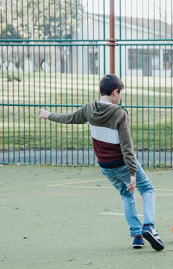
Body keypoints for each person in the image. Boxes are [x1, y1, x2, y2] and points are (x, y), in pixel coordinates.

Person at [38, 74, 164, 250]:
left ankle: (137, 236)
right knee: (147, 188)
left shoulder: (89, 109)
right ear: (115, 92)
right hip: (121, 164)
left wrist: (48, 115)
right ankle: (149, 226)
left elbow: (69, 118)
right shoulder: (120, 114)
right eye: (121, 93)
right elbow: (127, 147)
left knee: (125, 195)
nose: (120, 97)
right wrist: (133, 173)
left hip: (105, 166)